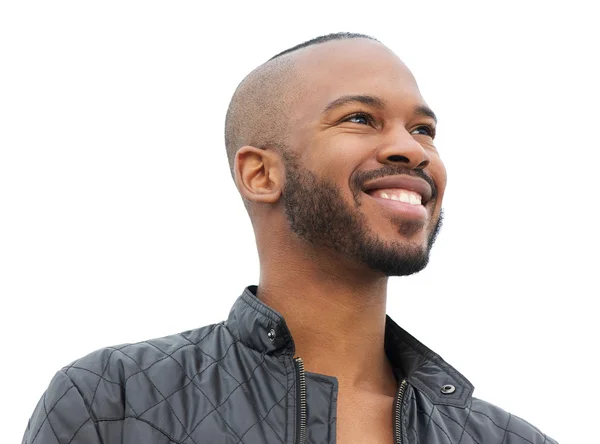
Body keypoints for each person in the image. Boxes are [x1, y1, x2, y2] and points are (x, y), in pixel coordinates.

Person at [22, 32, 557, 444]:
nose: (412, 150)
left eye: (423, 130)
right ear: (260, 175)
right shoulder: (112, 401)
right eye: (360, 118)